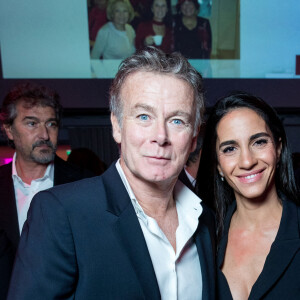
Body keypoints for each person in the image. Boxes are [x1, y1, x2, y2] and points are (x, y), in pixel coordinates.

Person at [7, 48, 216, 299]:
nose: (160, 136)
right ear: (117, 126)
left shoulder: (205, 220)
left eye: (177, 121)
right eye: (144, 116)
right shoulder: (62, 214)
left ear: (193, 138)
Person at [196, 92, 300, 300]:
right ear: (218, 165)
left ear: (278, 149)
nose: (246, 161)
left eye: (259, 142)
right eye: (230, 148)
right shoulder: (202, 237)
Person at [0, 82, 93, 299]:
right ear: (9, 130)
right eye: (32, 123)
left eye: (51, 124)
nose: (44, 134)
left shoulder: (84, 184)